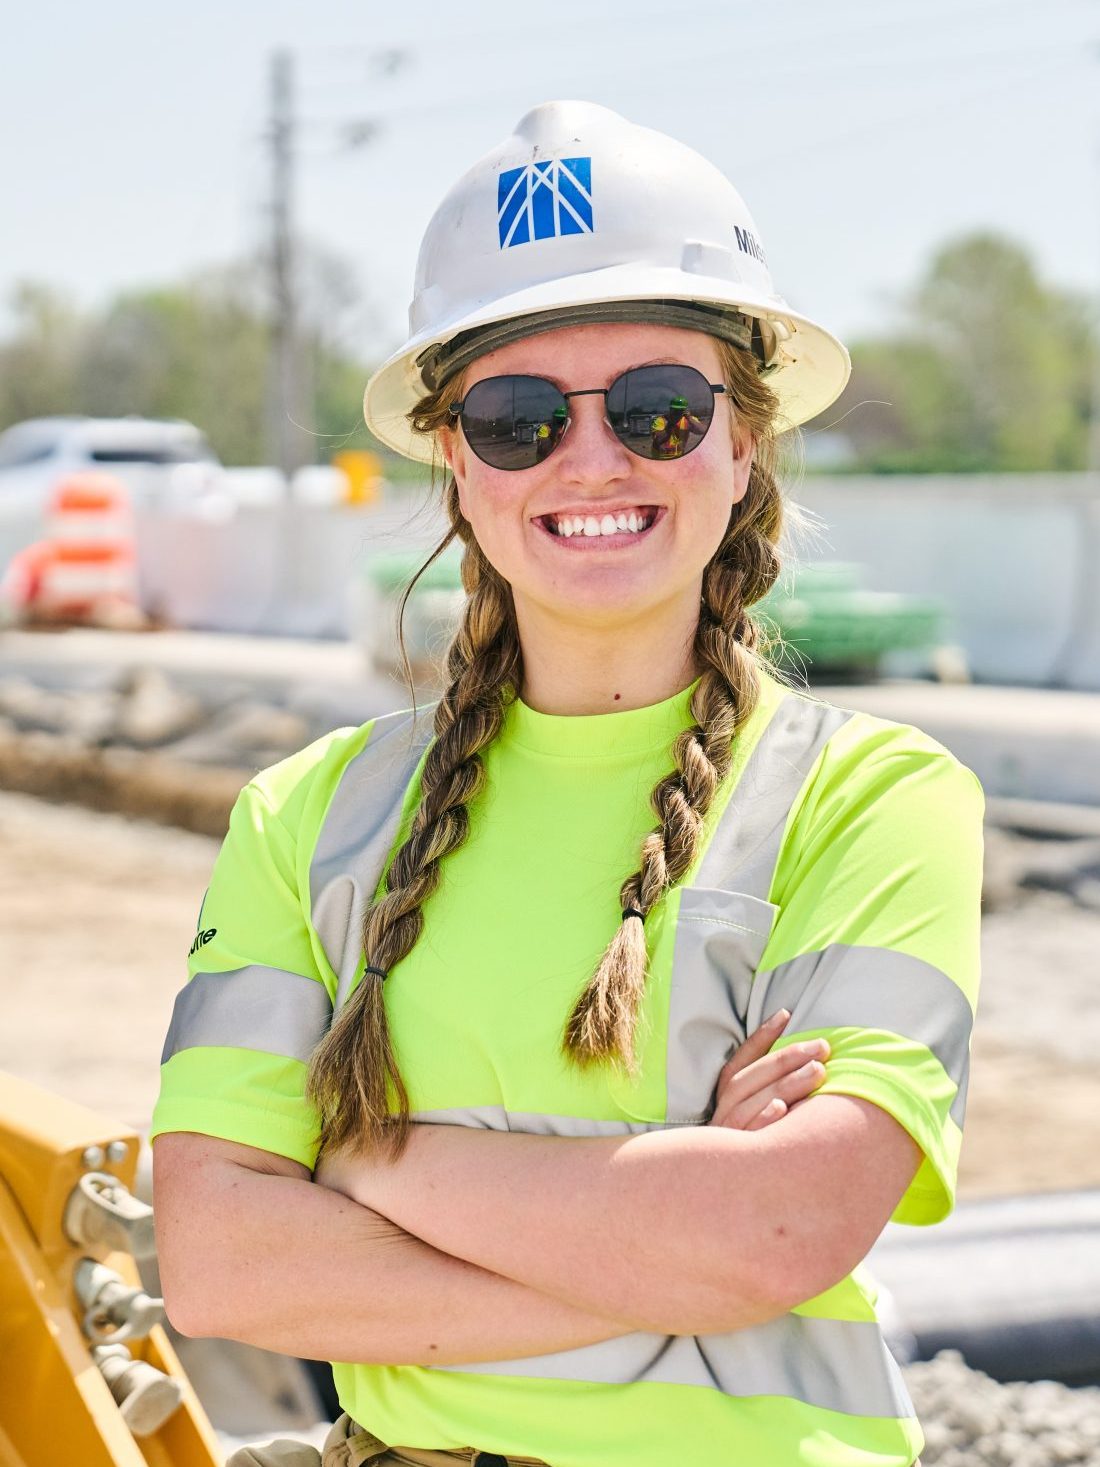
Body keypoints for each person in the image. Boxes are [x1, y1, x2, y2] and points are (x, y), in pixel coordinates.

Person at [152, 101, 982, 1467]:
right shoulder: (309, 817)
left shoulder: (875, 799)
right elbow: (226, 1265)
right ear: (455, 462)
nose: (592, 458)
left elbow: (781, 1228)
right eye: (520, 416)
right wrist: (666, 1256)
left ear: (743, 443)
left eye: (659, 409)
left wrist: (363, 1160)